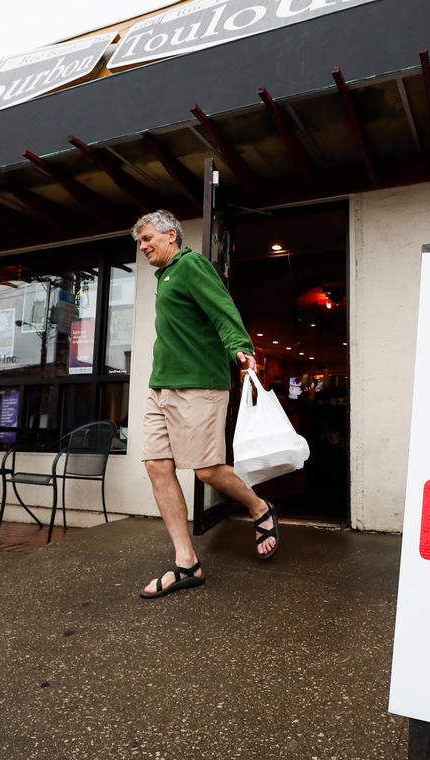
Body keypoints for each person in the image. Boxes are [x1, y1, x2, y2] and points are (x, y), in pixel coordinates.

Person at [133, 210, 279, 600]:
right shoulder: (164, 277)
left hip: (199, 386)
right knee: (157, 465)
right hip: (160, 387)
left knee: (207, 471)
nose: (143, 246)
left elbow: (222, 310)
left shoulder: (190, 264)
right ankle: (186, 563)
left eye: (148, 238)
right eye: (139, 241)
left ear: (170, 236)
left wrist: (240, 348)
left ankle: (259, 506)